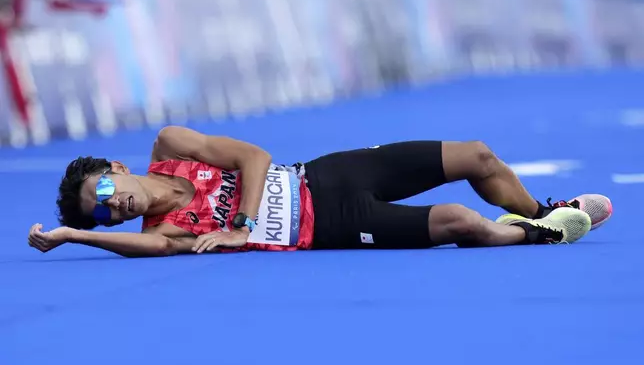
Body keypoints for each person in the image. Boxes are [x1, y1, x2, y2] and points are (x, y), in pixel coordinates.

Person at [27, 126, 612, 258]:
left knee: (476, 157)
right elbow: (162, 250)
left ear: (116, 166)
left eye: (104, 189)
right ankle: (538, 235)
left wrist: (243, 224)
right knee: (461, 221)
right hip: (329, 226)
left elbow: (253, 157)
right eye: (102, 214)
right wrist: (74, 235)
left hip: (327, 175)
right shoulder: (165, 232)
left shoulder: (172, 144)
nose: (113, 205)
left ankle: (542, 211)